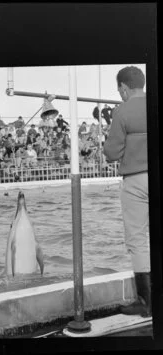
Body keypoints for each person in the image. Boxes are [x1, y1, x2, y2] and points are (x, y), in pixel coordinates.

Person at [103, 66, 150, 317]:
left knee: (138, 241)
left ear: (123, 87)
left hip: (135, 181)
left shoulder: (122, 112)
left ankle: (146, 302)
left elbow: (111, 153)